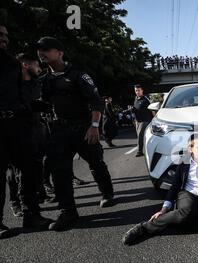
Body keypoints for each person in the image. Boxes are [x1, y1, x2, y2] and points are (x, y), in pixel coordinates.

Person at [38, 36, 115, 232]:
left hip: (83, 129)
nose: (41, 53)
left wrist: (94, 126)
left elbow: (97, 101)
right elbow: (42, 104)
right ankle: (68, 212)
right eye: (39, 50)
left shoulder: (78, 75)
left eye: (46, 49)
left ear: (60, 53)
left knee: (96, 163)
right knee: (60, 172)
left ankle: (107, 193)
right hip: (58, 132)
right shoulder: (44, 81)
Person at [1, 25, 53, 239]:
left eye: (6, 34)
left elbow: (21, 95)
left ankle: (32, 215)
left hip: (18, 126)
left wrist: (33, 106)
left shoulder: (12, 64)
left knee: (30, 169)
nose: (5, 38)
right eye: (0, 34)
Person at [122, 134, 198, 245]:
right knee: (187, 211)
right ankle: (144, 228)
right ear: (190, 149)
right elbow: (174, 187)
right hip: (187, 195)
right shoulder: (184, 163)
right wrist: (164, 209)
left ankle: (179, 220)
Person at [130, 85, 155, 157]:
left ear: (142, 90)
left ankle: (139, 151)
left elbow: (152, 109)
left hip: (145, 120)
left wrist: (154, 119)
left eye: (139, 90)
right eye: (136, 90)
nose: (137, 92)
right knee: (140, 136)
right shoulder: (136, 99)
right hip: (137, 121)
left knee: (140, 136)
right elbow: (136, 108)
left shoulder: (146, 99)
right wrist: (132, 109)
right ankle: (148, 149)